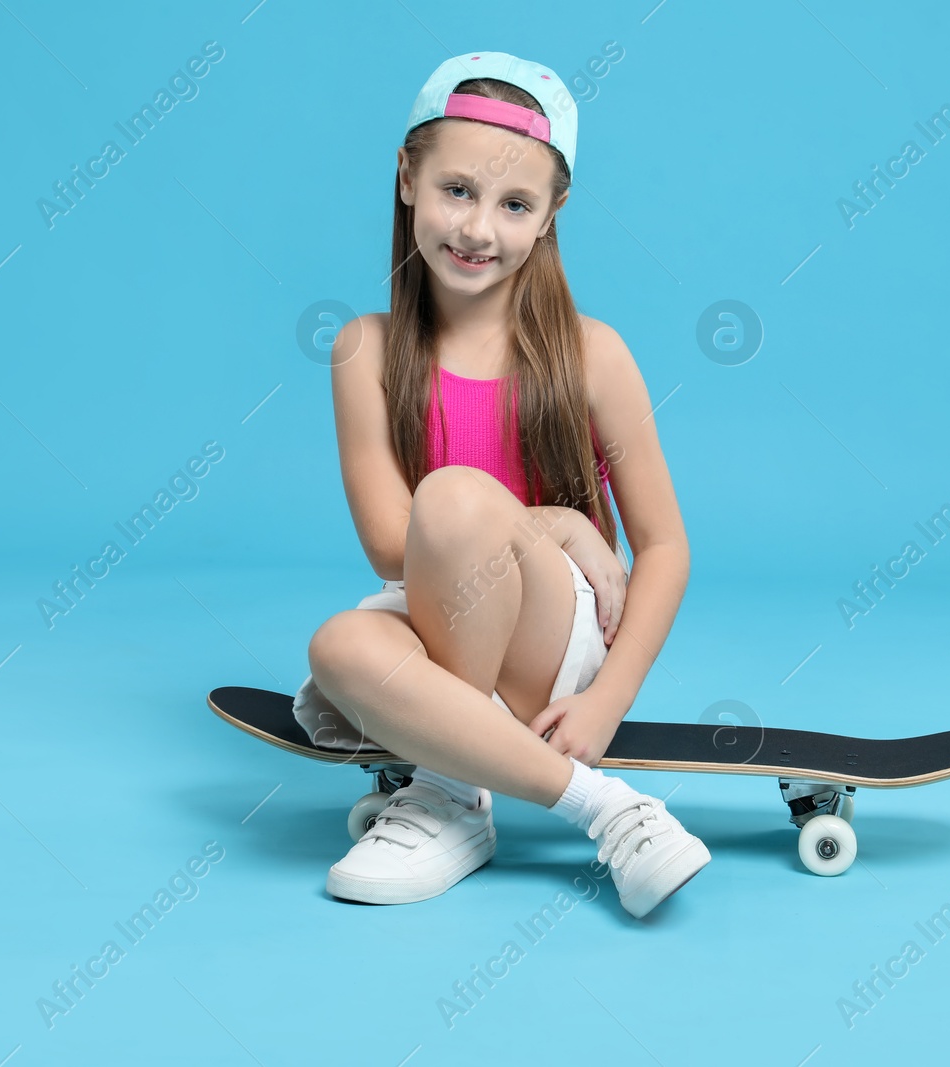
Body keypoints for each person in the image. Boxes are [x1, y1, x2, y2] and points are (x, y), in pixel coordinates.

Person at [300, 51, 709, 919]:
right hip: (439, 618)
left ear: (551, 215)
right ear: (408, 177)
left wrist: (608, 700)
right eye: (457, 190)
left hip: (551, 642)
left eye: (514, 204)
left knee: (450, 497)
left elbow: (665, 547)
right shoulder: (365, 350)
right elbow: (388, 542)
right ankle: (605, 808)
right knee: (337, 648)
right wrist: (559, 516)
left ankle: (446, 789)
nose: (478, 228)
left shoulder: (594, 353)